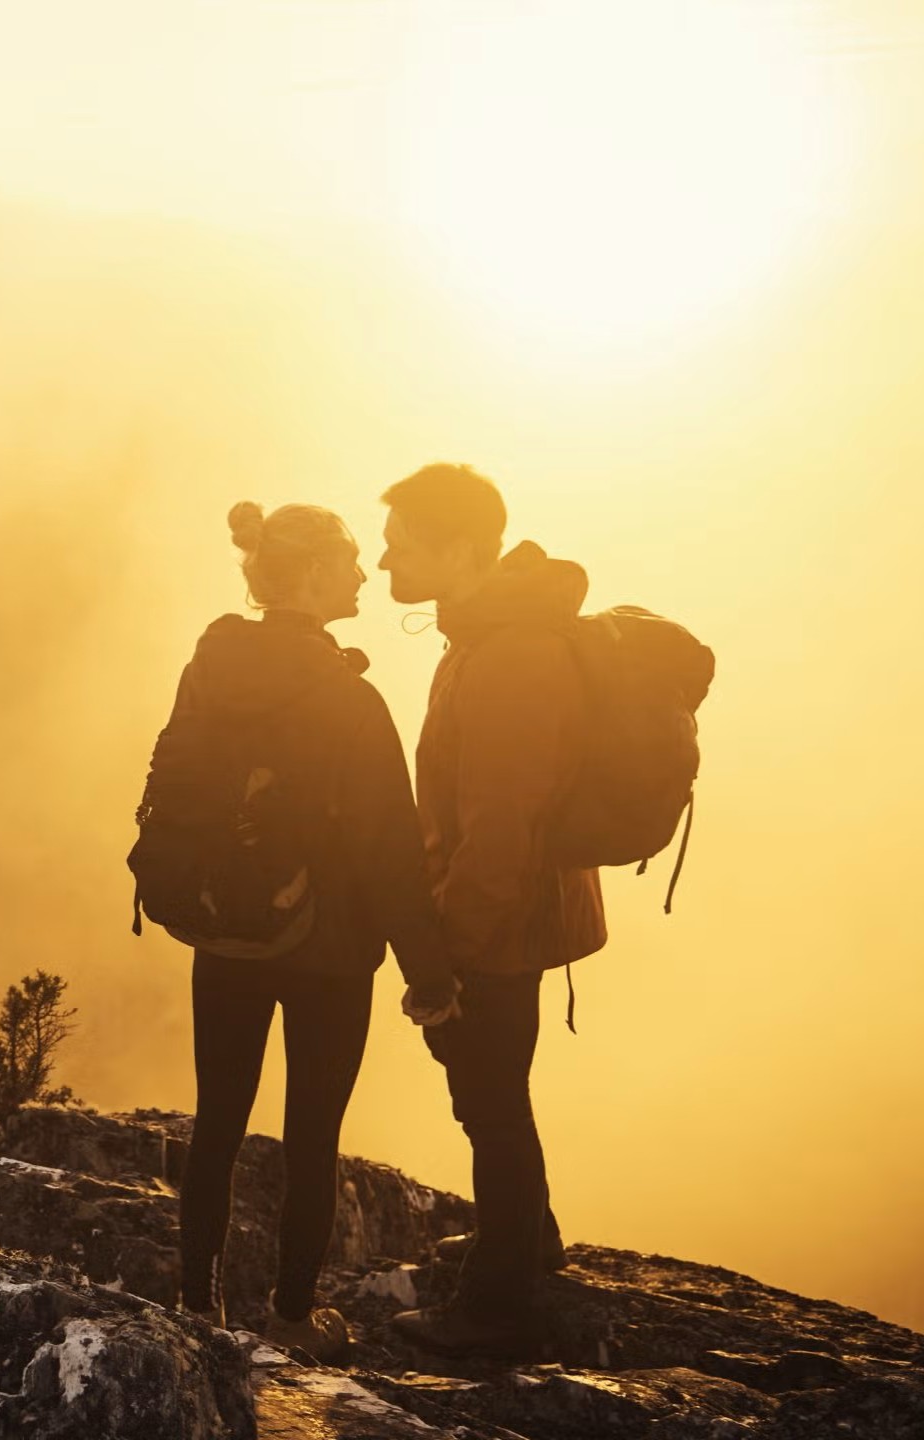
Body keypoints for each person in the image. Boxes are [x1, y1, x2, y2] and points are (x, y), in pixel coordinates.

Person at [147, 500, 459, 1361]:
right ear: (314, 575)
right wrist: (428, 973)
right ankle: (289, 1313)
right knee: (311, 1133)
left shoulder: (207, 669)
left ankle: (195, 1304)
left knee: (216, 1119)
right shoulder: (347, 700)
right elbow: (391, 850)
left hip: (223, 931)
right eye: (351, 562)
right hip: (328, 950)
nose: (363, 575)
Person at [376, 462, 607, 1358]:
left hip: (496, 923)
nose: (387, 554)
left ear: (460, 548)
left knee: (489, 1102)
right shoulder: (483, 636)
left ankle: (496, 1307)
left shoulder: (511, 654)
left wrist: (450, 961)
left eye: (403, 539)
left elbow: (501, 825)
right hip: (502, 913)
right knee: (494, 1096)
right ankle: (527, 1239)